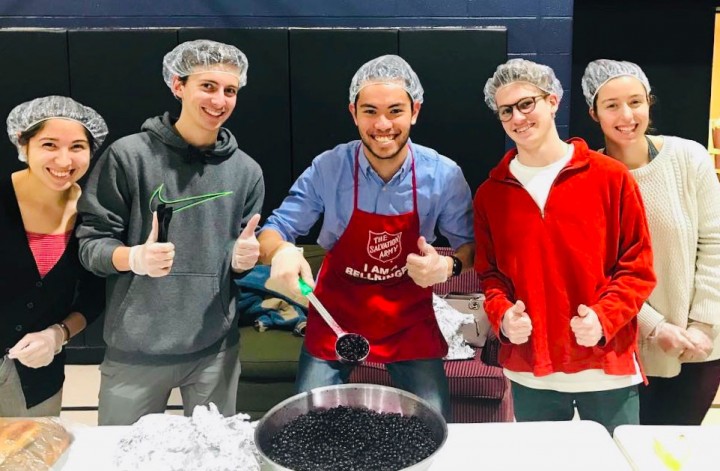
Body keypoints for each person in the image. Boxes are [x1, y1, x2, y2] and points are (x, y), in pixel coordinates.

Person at [257, 54, 475, 421]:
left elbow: (471, 248)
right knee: (307, 425)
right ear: (353, 112)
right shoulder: (329, 168)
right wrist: (280, 251)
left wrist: (448, 265)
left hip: (408, 320)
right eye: (370, 111)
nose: (383, 124)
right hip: (335, 316)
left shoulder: (443, 175)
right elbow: (273, 231)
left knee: (433, 424)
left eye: (395, 111)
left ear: (415, 111)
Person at [76, 39, 264, 425]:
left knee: (215, 459)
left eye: (230, 90)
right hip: (136, 349)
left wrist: (244, 262)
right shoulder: (128, 156)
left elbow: (239, 255)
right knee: (122, 457)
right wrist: (133, 258)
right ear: (178, 86)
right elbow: (90, 244)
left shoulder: (247, 171)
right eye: (207, 86)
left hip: (215, 351)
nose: (219, 100)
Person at [474, 58, 656, 433]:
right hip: (532, 372)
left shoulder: (610, 178)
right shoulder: (491, 194)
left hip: (606, 368)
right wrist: (504, 317)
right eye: (506, 110)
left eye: (527, 104)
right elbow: (490, 275)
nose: (518, 118)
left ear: (552, 101)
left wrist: (605, 317)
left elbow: (637, 266)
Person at [581, 59, 720, 425]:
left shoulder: (689, 158)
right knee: (628, 452)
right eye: (611, 105)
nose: (626, 115)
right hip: (628, 342)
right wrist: (654, 327)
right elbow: (595, 270)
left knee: (677, 449)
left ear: (649, 102)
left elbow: (716, 243)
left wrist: (703, 325)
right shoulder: (588, 177)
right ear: (594, 113)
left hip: (699, 344)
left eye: (635, 102)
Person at [1, 95, 107, 417]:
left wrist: (57, 335)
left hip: (39, 376)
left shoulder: (93, 216)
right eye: (49, 144)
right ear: (24, 144)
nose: (64, 161)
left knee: (32, 461)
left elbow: (93, 297)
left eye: (77, 146)